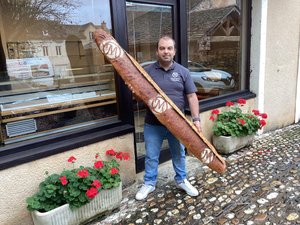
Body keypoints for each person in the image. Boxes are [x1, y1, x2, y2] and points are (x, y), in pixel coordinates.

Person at [135, 36, 201, 201]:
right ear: (157, 51)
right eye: (162, 48)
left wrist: (196, 120)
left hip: (177, 124)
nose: (166, 51)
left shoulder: (183, 72)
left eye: (169, 48)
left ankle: (181, 180)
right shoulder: (147, 71)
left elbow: (192, 97)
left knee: (179, 153)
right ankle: (149, 183)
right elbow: (139, 96)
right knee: (151, 155)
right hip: (153, 123)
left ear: (174, 51)